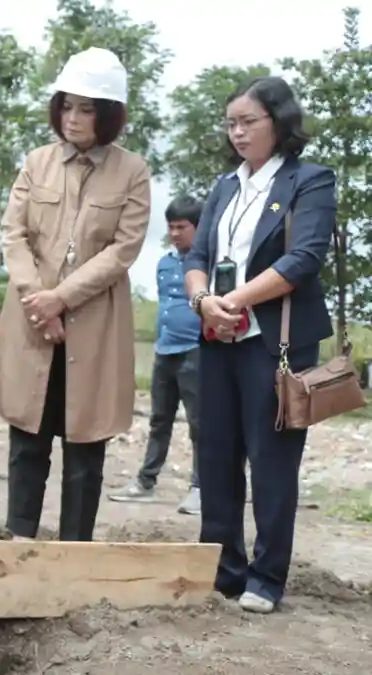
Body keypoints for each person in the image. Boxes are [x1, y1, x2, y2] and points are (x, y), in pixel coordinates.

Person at [184, 76, 335, 615]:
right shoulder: (224, 186)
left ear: (279, 121)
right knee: (217, 455)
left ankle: (267, 577)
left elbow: (304, 258)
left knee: (271, 462)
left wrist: (236, 301)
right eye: (231, 123)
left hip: (275, 343)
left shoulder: (309, 180)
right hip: (218, 338)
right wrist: (206, 303)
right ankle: (223, 569)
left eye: (249, 121)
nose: (238, 131)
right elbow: (196, 255)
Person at [0, 47, 151, 543]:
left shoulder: (133, 172)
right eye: (67, 106)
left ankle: (74, 549)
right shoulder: (37, 163)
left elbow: (122, 251)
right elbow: (13, 236)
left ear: (109, 115)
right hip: (32, 321)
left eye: (87, 108)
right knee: (28, 437)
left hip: (94, 327)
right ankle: (20, 540)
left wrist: (60, 299)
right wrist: (38, 301)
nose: (74, 118)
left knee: (85, 444)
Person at [110, 196, 203, 514]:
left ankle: (200, 487)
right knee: (159, 420)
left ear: (198, 228)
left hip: (197, 351)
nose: (176, 233)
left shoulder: (208, 262)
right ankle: (146, 482)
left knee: (199, 424)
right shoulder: (164, 263)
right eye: (171, 227)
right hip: (165, 350)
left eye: (183, 227)